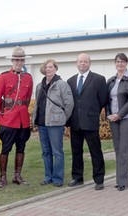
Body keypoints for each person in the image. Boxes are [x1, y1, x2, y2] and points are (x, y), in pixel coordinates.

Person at [0, 46, 33, 188]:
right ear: (12, 61)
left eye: (21, 60)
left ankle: (17, 175)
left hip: (23, 120)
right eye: (16, 60)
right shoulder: (3, 77)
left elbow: (27, 98)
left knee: (21, 148)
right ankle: (3, 177)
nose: (19, 62)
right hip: (8, 119)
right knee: (5, 149)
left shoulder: (28, 77)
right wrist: (1, 115)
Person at [67, 53, 108, 190]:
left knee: (95, 151)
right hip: (75, 122)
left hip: (90, 121)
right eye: (80, 61)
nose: (82, 64)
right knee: (76, 151)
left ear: (89, 63)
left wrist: (93, 111)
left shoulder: (99, 79)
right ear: (76, 63)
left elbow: (102, 100)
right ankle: (77, 177)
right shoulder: (71, 81)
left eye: (85, 61)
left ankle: (99, 179)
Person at [33, 59, 74, 187]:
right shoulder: (40, 85)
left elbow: (69, 104)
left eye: (51, 67)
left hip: (55, 123)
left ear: (55, 68)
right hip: (42, 123)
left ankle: (57, 178)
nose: (48, 69)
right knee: (45, 152)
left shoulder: (61, 84)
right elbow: (37, 105)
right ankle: (48, 176)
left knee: (57, 152)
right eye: (46, 67)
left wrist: (62, 118)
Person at [106, 53, 128, 191]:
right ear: (115, 63)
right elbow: (106, 100)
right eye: (118, 61)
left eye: (123, 62)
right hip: (113, 118)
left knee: (124, 149)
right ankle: (120, 179)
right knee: (118, 149)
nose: (120, 64)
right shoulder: (111, 80)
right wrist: (109, 115)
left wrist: (119, 115)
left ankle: (123, 181)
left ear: (126, 63)